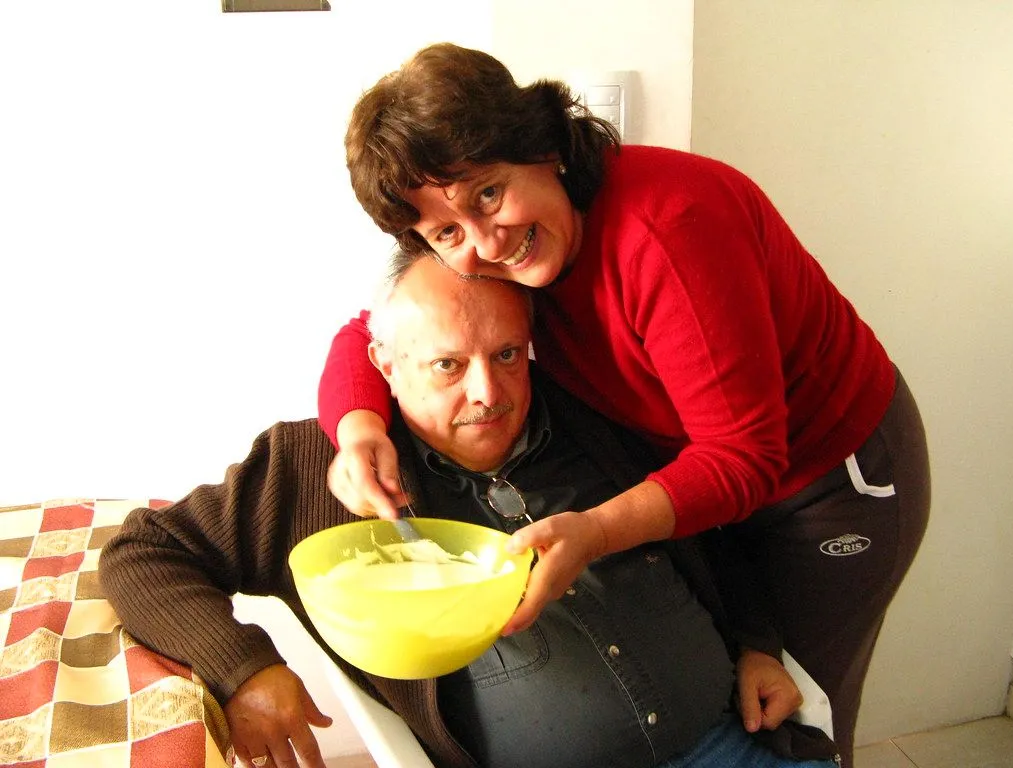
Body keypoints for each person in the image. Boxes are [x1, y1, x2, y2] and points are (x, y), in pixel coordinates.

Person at [315, 43, 931, 767]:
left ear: (542, 147)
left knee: (796, 706)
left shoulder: (669, 231)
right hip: (715, 472)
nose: (485, 242)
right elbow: (369, 332)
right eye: (446, 231)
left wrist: (597, 532)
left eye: (488, 194)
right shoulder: (501, 255)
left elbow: (743, 457)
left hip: (831, 482)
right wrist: (356, 429)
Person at [100, 256, 838, 768]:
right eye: (448, 365)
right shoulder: (317, 467)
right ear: (384, 364)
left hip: (732, 743)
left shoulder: (589, 414)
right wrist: (246, 668)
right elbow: (142, 552)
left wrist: (757, 642)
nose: (488, 392)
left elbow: (707, 519)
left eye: (508, 355)